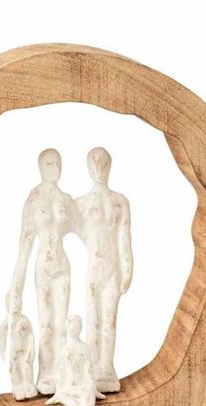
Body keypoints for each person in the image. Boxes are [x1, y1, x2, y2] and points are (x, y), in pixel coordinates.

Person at [7, 148, 76, 395]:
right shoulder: (34, 199)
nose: (54, 168)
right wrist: (16, 286)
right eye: (48, 163)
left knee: (62, 323)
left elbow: (87, 229)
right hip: (44, 268)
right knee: (46, 323)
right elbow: (25, 244)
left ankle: (63, 374)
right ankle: (46, 375)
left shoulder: (66, 199)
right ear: (39, 167)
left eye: (57, 163)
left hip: (62, 266)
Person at [75, 147, 133, 393]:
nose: (99, 167)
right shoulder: (80, 204)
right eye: (95, 163)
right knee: (93, 319)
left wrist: (127, 268)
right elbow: (66, 227)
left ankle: (106, 369)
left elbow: (124, 238)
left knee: (109, 319)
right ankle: (92, 370)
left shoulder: (120, 202)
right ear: (89, 168)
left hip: (112, 270)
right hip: (94, 269)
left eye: (103, 163)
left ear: (110, 166)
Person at [46, 315, 105, 406]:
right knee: (71, 401)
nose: (75, 329)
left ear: (80, 328)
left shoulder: (85, 348)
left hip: (82, 385)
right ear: (67, 328)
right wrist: (58, 391)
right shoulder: (63, 350)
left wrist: (91, 385)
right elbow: (59, 374)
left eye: (78, 326)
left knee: (89, 395)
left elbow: (89, 370)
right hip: (68, 387)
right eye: (73, 326)